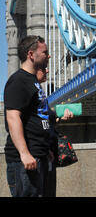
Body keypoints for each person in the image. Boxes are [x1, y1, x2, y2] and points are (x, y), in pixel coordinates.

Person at [4, 35, 51, 197]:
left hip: (40, 156)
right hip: (25, 161)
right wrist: (24, 153)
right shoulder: (18, 81)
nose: (48, 55)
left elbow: (38, 117)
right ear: (31, 55)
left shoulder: (33, 81)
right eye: (45, 52)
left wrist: (45, 148)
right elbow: (13, 118)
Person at [36, 66, 73, 197]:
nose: (47, 71)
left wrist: (59, 119)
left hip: (47, 154)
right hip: (38, 156)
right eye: (43, 68)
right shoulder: (27, 89)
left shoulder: (40, 93)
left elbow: (45, 123)